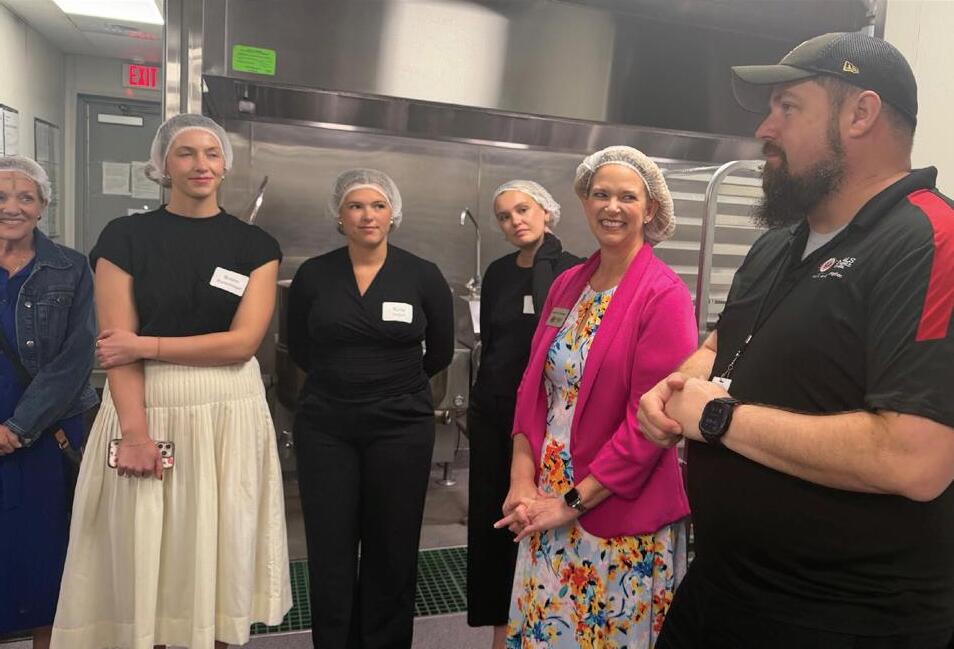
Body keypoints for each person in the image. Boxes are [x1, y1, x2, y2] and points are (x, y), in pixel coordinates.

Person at [638, 32, 954, 649]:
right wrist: (676, 386)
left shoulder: (929, 240)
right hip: (719, 590)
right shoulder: (777, 244)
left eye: (788, 107)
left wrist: (720, 418)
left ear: (860, 113)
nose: (765, 129)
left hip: (843, 619)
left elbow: (915, 459)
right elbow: (723, 344)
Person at [51, 114, 292, 649]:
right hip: (146, 408)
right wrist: (135, 434)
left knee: (222, 549)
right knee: (145, 551)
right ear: (162, 165)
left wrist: (147, 345)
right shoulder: (125, 237)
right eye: (185, 153)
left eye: (211, 153)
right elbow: (117, 348)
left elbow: (242, 343)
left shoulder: (256, 245)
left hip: (230, 412)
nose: (200, 164)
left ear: (225, 165)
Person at [496, 146, 696, 648]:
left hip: (613, 510)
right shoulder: (568, 285)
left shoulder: (663, 295)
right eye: (600, 194)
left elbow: (651, 426)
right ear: (584, 202)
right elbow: (533, 389)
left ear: (650, 210)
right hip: (546, 501)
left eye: (627, 197)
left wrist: (571, 503)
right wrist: (522, 481)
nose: (612, 207)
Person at [287, 168, 454, 649]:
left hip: (401, 426)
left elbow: (440, 351)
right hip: (326, 425)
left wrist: (390, 386)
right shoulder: (314, 275)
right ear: (339, 215)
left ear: (392, 214)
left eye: (378, 205)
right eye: (356, 206)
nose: (367, 215)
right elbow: (299, 345)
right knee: (330, 545)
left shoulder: (422, 274)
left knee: (392, 545)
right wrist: (347, 380)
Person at [466, 180, 581, 647]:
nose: (515, 221)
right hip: (494, 412)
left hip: (546, 419)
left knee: (537, 518)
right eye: (504, 216)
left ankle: (541, 626)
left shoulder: (574, 271)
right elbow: (492, 343)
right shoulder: (498, 272)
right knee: (494, 523)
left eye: (523, 210)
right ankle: (500, 629)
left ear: (546, 211)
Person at [0, 156, 96, 649]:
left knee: (48, 557)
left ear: (43, 206)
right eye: (1, 197)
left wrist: (18, 426)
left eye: (26, 197)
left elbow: (77, 357)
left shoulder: (71, 267)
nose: (12, 207)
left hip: (49, 431)